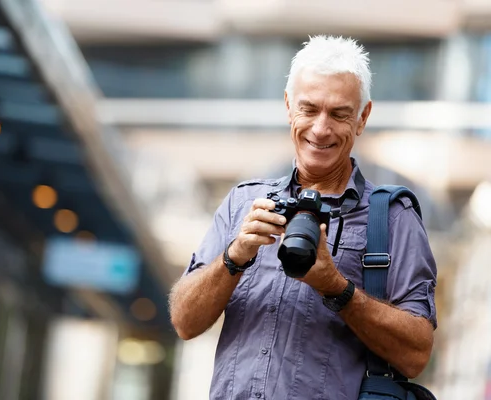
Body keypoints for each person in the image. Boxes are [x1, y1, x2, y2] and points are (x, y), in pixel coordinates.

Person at [168, 36, 437, 400]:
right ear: (288, 106)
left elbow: (416, 354)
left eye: (339, 113)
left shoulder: (392, 218)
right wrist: (234, 257)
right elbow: (185, 322)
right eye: (309, 109)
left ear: (363, 117)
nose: (321, 129)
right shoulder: (245, 201)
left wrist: (335, 287)